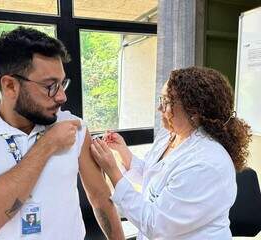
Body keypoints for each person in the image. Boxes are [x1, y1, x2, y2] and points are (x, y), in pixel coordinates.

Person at [0, 27, 124, 240]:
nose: (62, 97)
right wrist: (47, 145)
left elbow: (101, 198)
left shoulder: (73, 126)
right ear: (10, 86)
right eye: (50, 86)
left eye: (62, 82)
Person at [91, 66, 252, 240]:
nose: (159, 108)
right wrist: (123, 152)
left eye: (167, 102)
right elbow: (155, 178)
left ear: (194, 111)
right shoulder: (171, 135)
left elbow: (156, 224)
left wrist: (113, 171)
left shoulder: (206, 164)